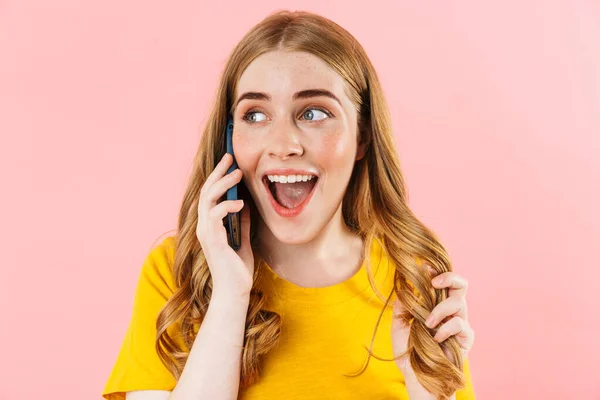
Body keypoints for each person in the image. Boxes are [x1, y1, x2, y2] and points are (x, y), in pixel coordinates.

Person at [102, 10, 476, 400]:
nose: (283, 145)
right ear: (230, 138)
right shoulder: (177, 274)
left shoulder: (413, 282)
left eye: (313, 113)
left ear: (362, 136)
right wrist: (230, 295)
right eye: (256, 115)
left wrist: (430, 388)